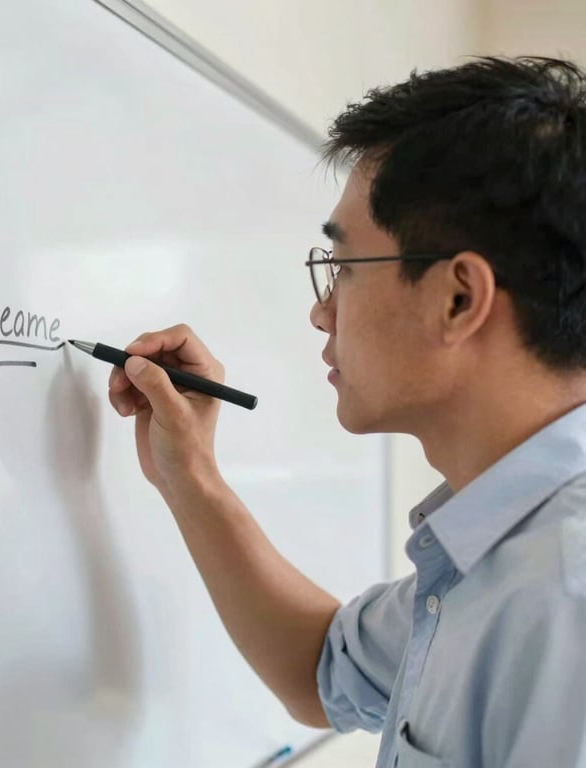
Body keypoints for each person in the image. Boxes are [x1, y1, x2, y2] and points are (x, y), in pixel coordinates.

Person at [107, 56, 586, 767]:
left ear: (457, 299)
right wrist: (191, 476)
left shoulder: (564, 599)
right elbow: (320, 669)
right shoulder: (491, 551)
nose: (320, 312)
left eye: (343, 269)